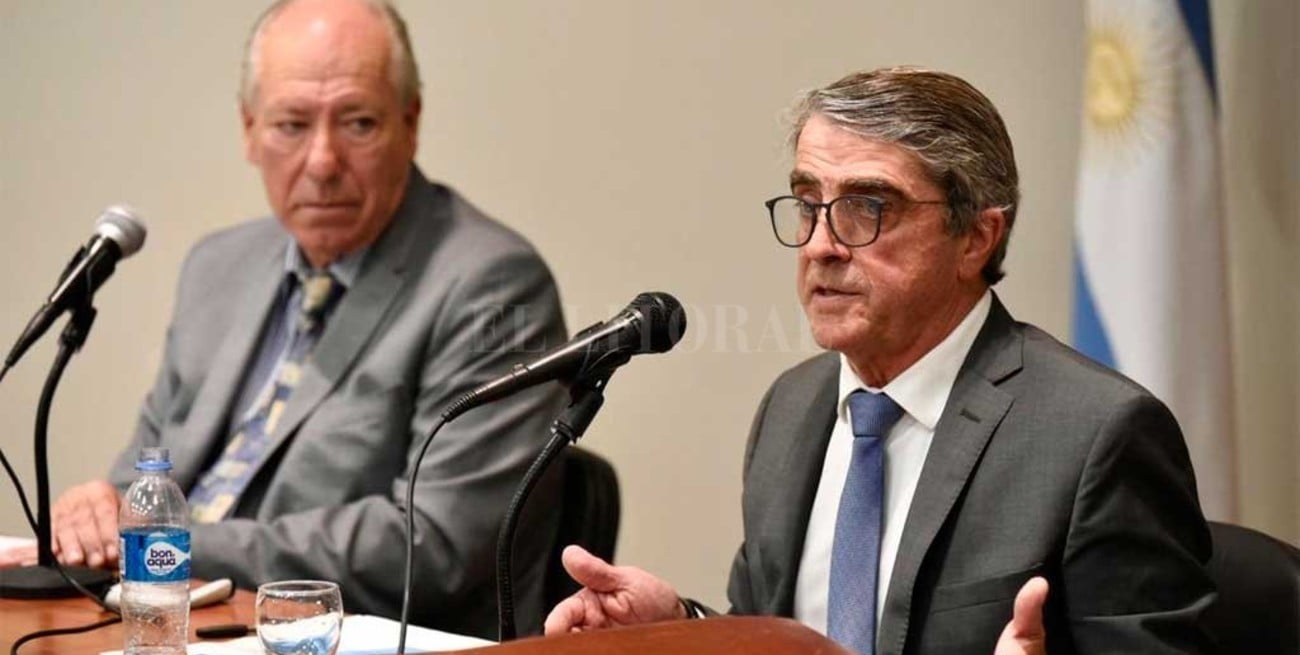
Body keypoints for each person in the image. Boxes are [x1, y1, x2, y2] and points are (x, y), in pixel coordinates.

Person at [544, 67, 1215, 655]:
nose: (821, 245)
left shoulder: (1096, 434)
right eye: (808, 204)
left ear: (976, 237)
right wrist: (680, 628)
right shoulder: (792, 408)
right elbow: (787, 639)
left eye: (866, 208)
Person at [3, 0, 567, 639]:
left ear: (410, 123)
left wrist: (172, 543)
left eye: (358, 123)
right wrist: (100, 512)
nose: (322, 161)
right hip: (177, 622)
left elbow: (434, 543)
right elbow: (146, 475)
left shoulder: (493, 284)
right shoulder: (219, 267)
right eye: (291, 124)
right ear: (249, 130)